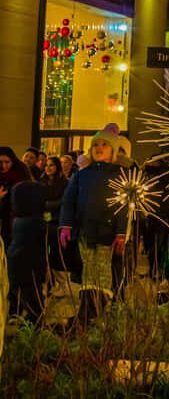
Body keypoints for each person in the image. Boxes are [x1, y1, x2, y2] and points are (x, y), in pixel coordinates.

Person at [59, 129, 128, 324]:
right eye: (96, 145)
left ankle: (98, 310)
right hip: (86, 231)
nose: (99, 148)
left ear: (112, 149)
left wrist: (121, 233)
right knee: (88, 269)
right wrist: (66, 225)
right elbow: (69, 200)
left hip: (107, 232)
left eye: (104, 145)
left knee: (103, 271)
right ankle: (87, 311)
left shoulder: (120, 174)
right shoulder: (82, 175)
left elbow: (124, 206)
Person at [7, 179, 48, 321]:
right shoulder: (34, 222)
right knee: (33, 302)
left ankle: (20, 318)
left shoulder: (19, 219)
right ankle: (33, 328)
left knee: (25, 297)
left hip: (18, 264)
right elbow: (45, 243)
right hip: (29, 267)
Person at [41, 156, 68, 276]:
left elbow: (64, 201)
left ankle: (57, 279)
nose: (48, 168)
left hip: (57, 220)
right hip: (43, 219)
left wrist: (47, 204)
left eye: (51, 165)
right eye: (46, 165)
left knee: (55, 251)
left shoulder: (64, 182)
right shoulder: (41, 181)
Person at [0, 146, 32, 244]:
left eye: (7, 162)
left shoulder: (21, 173)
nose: (3, 166)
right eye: (0, 162)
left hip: (17, 219)